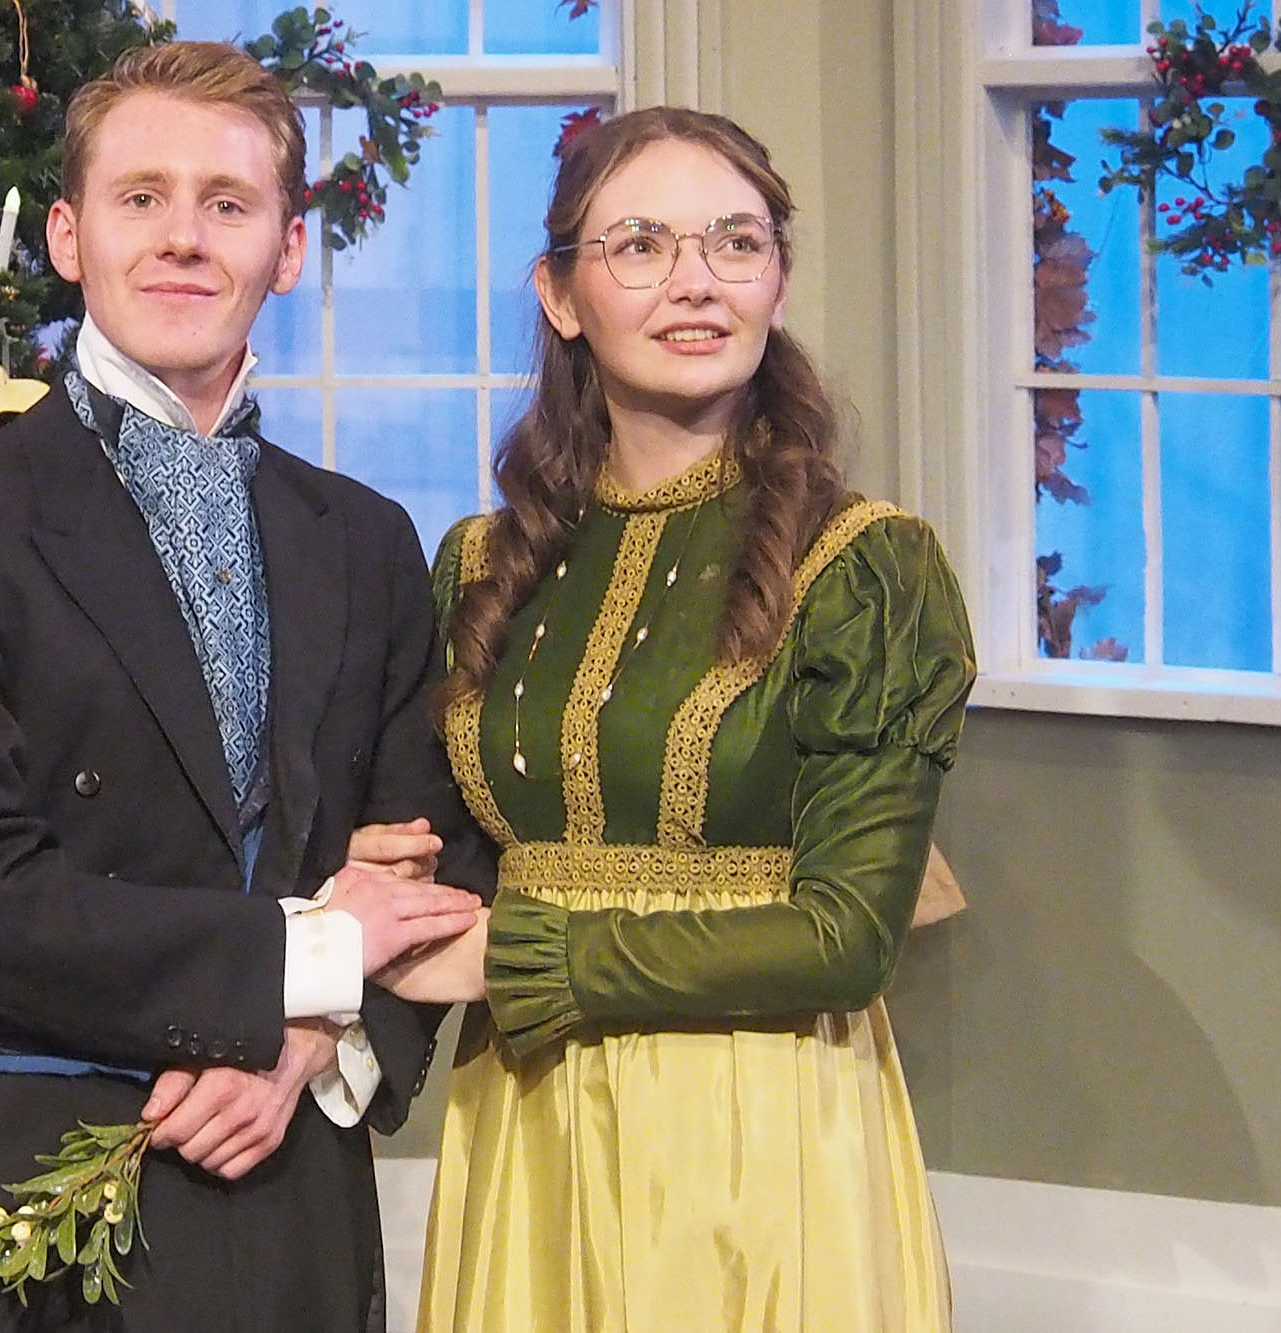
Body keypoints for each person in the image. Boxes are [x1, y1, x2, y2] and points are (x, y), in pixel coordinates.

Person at [0, 41, 492, 1333]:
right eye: (142, 198)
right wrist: (310, 952)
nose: (183, 237)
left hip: (287, 1178)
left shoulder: (363, 540)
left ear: (288, 252)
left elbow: (432, 851)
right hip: (24, 1182)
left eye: (228, 204)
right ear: (71, 236)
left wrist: (309, 1042)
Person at [370, 107, 976, 1332]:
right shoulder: (479, 565)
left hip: (757, 1133)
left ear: (778, 278)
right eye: (641, 244)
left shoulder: (867, 564)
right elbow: (445, 856)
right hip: (530, 1129)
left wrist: (519, 958)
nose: (695, 282)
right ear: (560, 294)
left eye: (735, 243)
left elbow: (849, 936)